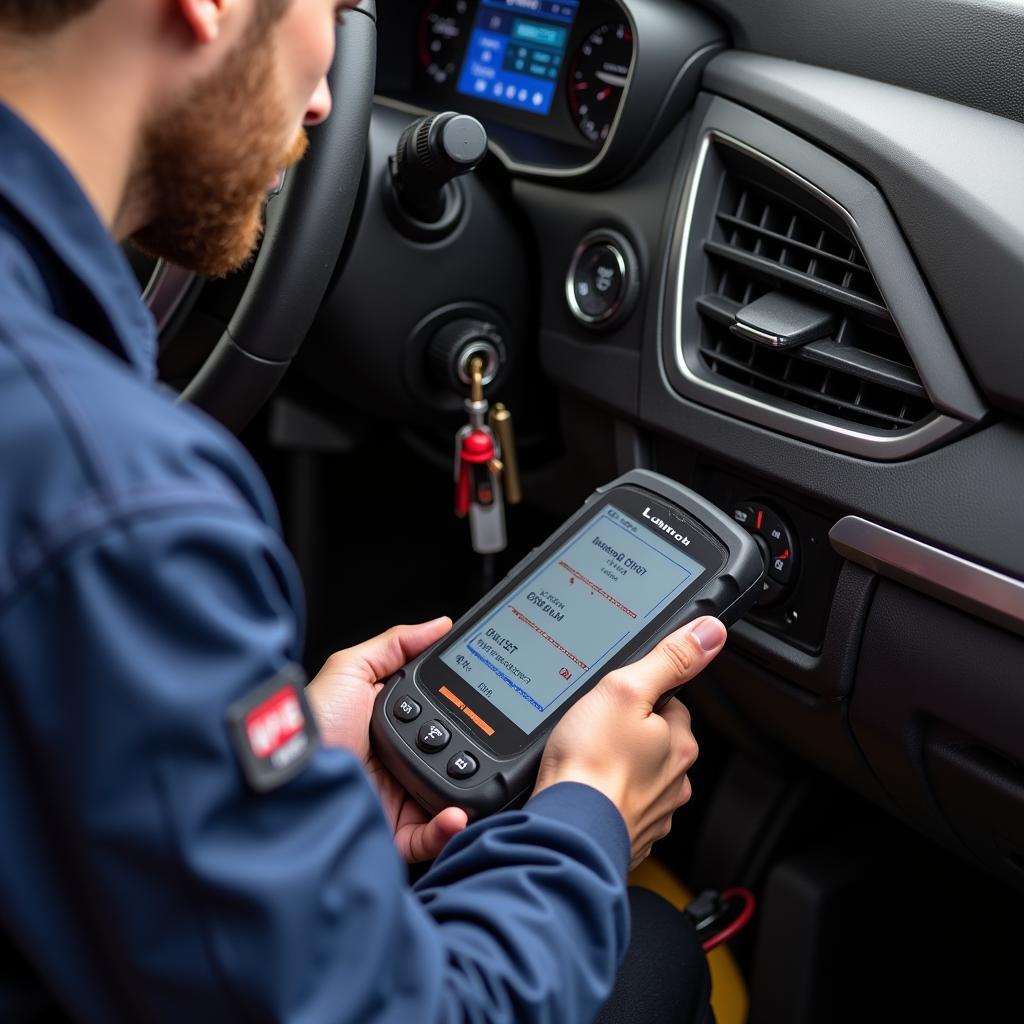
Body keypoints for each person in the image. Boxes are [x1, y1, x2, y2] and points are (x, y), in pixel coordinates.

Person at [0, 1, 725, 1020]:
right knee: (645, 950)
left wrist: (268, 779)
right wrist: (586, 814)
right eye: (333, 13)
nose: (333, 94)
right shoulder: (125, 504)